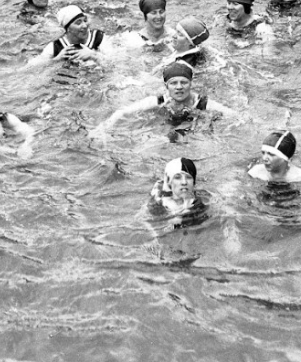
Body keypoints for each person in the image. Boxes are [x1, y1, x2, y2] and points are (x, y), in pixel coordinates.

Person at [90, 61, 235, 138]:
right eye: (174, 83)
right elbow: (123, 112)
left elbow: (234, 116)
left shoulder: (202, 103)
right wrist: (102, 129)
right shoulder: (159, 101)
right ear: (167, 86)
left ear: (191, 84)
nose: (179, 87)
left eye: (183, 82)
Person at [27, 5, 106, 66]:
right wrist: (57, 59)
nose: (84, 26)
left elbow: (114, 63)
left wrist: (93, 55)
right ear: (68, 29)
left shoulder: (98, 38)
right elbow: (30, 68)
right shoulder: (56, 47)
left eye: (84, 21)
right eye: (78, 23)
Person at [149, 157, 208, 229]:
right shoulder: (157, 203)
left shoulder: (199, 204)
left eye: (188, 177)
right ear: (169, 182)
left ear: (193, 182)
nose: (184, 182)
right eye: (177, 177)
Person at [151, 16, 215, 72]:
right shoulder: (185, 49)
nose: (174, 36)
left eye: (180, 34)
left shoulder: (181, 66)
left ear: (190, 42)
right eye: (176, 31)